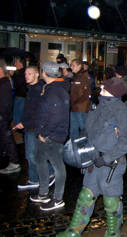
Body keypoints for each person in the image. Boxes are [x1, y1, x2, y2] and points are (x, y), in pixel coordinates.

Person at [58, 78, 127, 237]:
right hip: (93, 161)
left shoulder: (121, 111)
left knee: (111, 200)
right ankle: (74, 231)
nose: (100, 91)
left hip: (111, 163)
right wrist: (83, 148)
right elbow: (89, 131)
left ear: (112, 92)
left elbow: (126, 142)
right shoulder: (98, 107)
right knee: (86, 196)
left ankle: (113, 233)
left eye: (103, 89)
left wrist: (106, 158)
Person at [29, 62, 69, 211]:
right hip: (46, 133)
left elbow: (56, 117)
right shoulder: (51, 88)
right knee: (40, 159)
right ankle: (43, 192)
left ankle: (58, 198)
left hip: (52, 135)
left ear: (45, 73)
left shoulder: (56, 91)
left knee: (58, 166)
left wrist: (44, 133)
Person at [15, 66, 55, 188]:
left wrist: (25, 123)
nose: (26, 76)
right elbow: (29, 110)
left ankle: (51, 173)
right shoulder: (31, 89)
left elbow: (38, 112)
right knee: (30, 155)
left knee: (33, 156)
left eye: (30, 74)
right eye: (26, 74)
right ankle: (34, 179)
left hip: (34, 128)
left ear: (37, 75)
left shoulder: (38, 90)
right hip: (29, 127)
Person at [0, 63, 20, 174]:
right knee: (5, 137)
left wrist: (3, 115)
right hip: (4, 115)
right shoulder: (4, 82)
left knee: (7, 137)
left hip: (3, 116)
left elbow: (5, 102)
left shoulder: (4, 83)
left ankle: (14, 161)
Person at [69, 59, 91, 139]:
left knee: (83, 130)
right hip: (74, 107)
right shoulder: (76, 76)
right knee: (73, 130)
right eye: (71, 65)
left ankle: (87, 148)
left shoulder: (84, 77)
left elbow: (85, 93)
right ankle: (73, 148)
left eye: (73, 65)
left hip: (81, 108)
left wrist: (74, 102)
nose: (71, 67)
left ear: (79, 66)